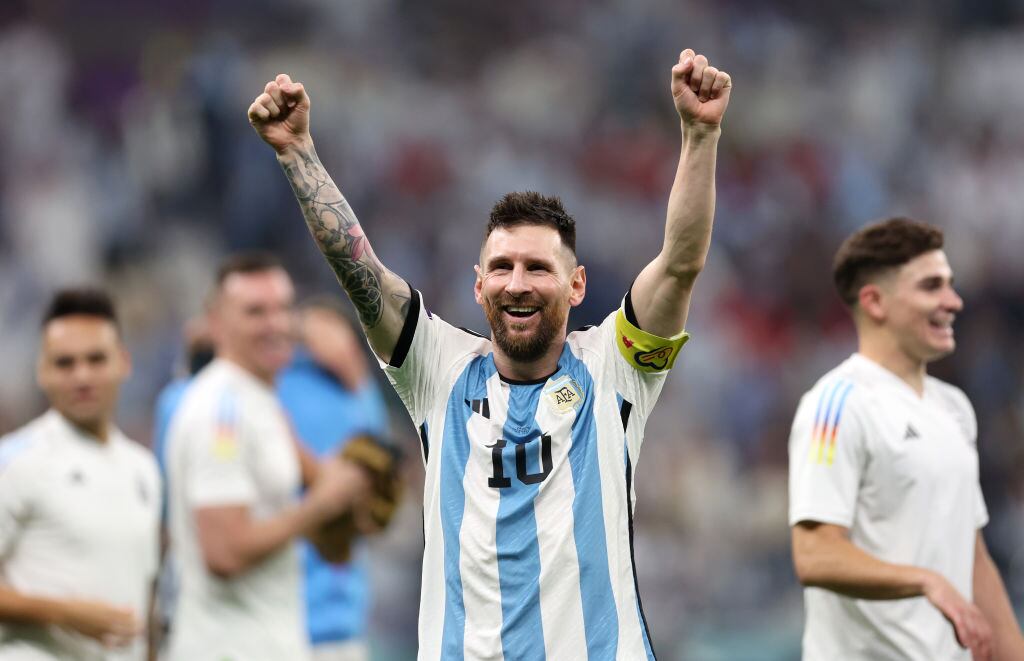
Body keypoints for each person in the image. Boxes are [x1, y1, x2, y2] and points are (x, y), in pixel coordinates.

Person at [249, 47, 730, 658]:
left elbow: (681, 265)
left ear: (576, 284)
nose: (518, 283)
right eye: (501, 267)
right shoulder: (436, 370)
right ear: (478, 285)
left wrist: (701, 134)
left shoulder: (617, 369)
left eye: (538, 268)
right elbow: (357, 266)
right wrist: (297, 153)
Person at [788, 218, 1024, 661]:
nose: (953, 301)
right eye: (931, 287)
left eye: (951, 285)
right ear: (875, 302)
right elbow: (814, 553)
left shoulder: (954, 408)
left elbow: (972, 558)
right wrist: (925, 580)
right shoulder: (836, 405)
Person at [162, 253, 371, 661]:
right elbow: (223, 552)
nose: (276, 324)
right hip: (228, 647)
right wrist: (320, 507)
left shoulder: (259, 398)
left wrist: (353, 485)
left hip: (265, 640)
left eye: (283, 309)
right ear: (217, 324)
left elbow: (322, 479)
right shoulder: (220, 411)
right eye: (255, 312)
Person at [0, 288, 161, 660]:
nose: (82, 376)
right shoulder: (15, 460)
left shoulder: (144, 469)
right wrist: (63, 612)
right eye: (65, 363)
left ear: (124, 362)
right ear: (42, 371)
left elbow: (142, 594)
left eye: (96, 359)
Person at [277, 300, 390, 661]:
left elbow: (380, 479)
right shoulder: (268, 383)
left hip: (341, 620)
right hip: (271, 618)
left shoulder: (358, 393)